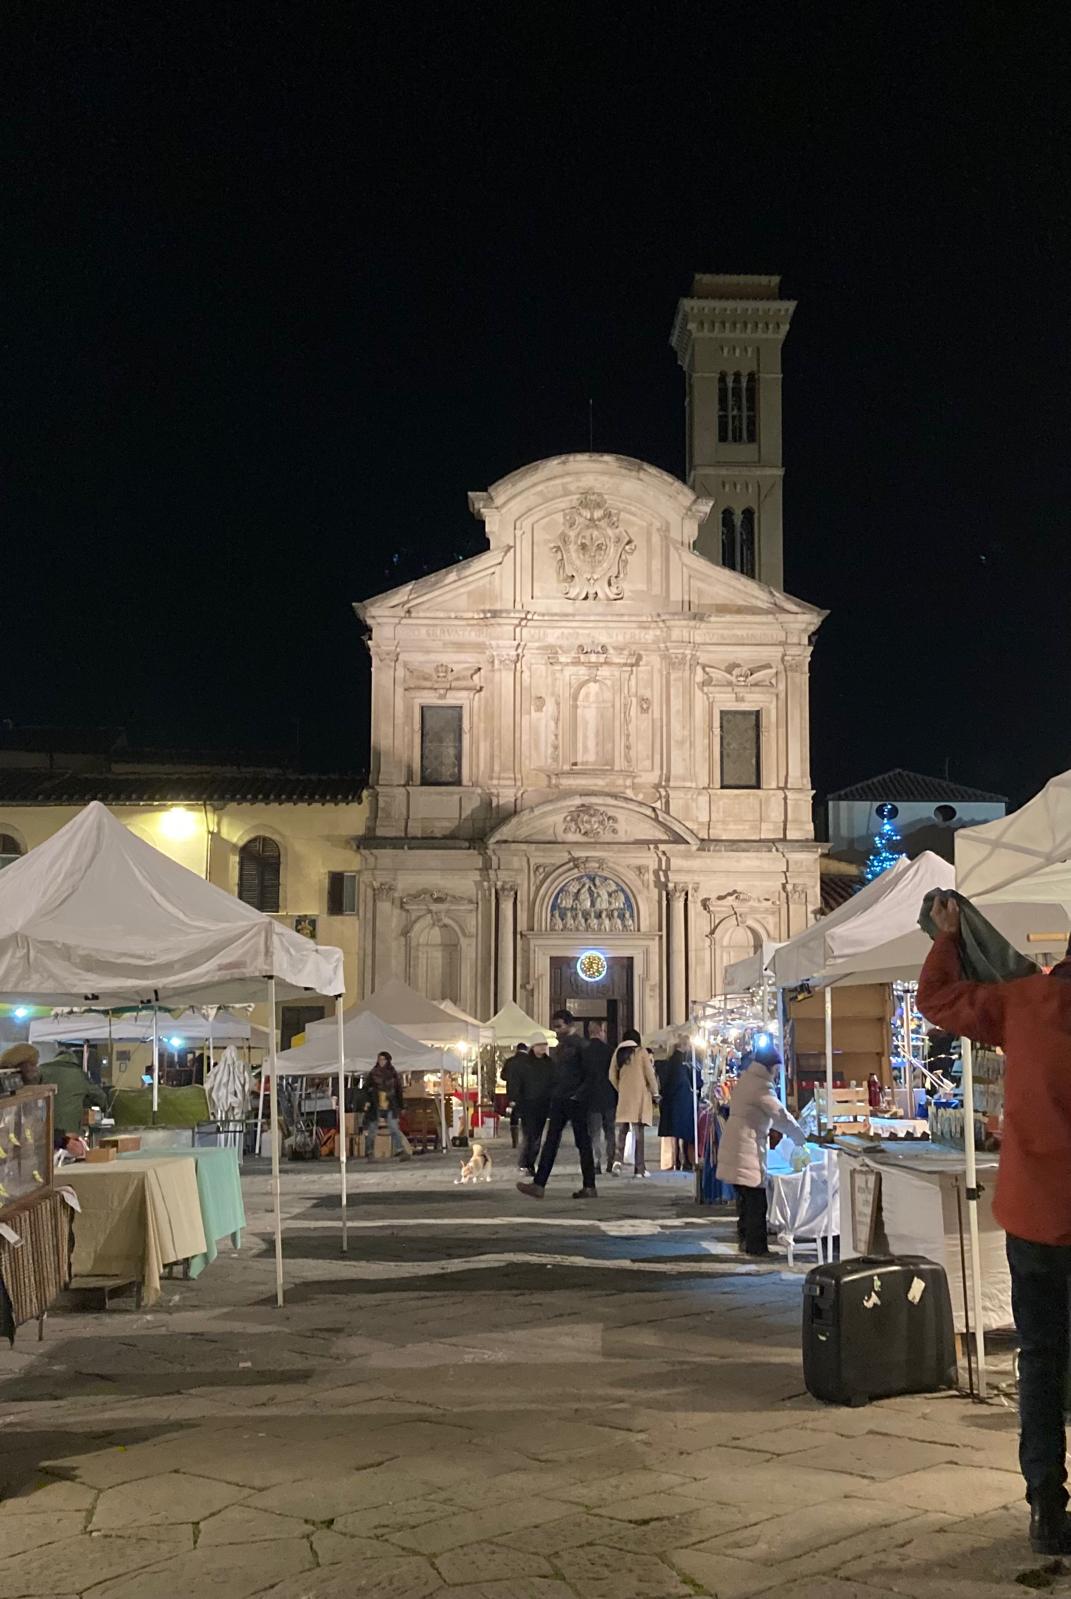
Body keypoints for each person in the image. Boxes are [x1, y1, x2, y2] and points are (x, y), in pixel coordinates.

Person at [917, 893, 1071, 1556]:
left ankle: (1045, 1507)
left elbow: (937, 997)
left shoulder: (1020, 1001)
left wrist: (949, 934)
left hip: (1036, 1214)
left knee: (1039, 1358)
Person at [715, 1037, 805, 1256]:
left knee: (745, 1198)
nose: (776, 1073)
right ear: (771, 1066)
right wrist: (800, 1137)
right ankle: (756, 1247)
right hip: (747, 1146)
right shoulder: (761, 1086)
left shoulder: (748, 1079)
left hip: (737, 1143)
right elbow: (780, 1115)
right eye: (776, 1068)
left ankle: (745, 1240)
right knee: (756, 1199)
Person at [517, 1009, 597, 1199]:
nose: (556, 1031)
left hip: (574, 1100)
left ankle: (589, 1185)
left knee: (582, 1142)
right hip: (561, 1098)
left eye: (560, 1026)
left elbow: (591, 1074)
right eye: (555, 1027)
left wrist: (578, 1095)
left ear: (570, 1025)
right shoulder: (561, 1047)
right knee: (551, 1141)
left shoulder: (581, 1046)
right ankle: (539, 1184)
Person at [8, 1043, 108, 1142]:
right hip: (70, 1133)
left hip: (43, 1130)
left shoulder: (42, 1070)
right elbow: (101, 1098)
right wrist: (105, 1110)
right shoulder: (80, 1075)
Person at [609, 1030, 659, 1177]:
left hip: (624, 1096)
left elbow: (611, 1075)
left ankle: (617, 1163)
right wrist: (655, 1092)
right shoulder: (641, 1052)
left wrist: (620, 1088)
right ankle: (639, 1169)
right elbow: (649, 1073)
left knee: (622, 1132)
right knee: (639, 1135)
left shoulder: (618, 1052)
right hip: (639, 1097)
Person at [514, 1036, 554, 1176]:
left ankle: (530, 1163)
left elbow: (553, 1082)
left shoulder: (549, 1063)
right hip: (528, 1104)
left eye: (544, 1045)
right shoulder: (525, 1064)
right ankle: (524, 1163)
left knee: (537, 1137)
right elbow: (518, 1083)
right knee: (528, 1136)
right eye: (540, 1045)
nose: (543, 1048)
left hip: (543, 1104)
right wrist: (518, 1101)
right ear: (533, 1046)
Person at [657, 1037, 697, 1171]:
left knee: (674, 1134)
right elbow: (688, 1080)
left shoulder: (670, 1061)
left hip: (672, 1102)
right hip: (683, 1101)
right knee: (685, 1133)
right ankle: (685, 1161)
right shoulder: (684, 1062)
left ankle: (675, 1161)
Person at [362, 1051, 411, 1160]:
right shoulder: (373, 1073)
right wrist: (368, 1099)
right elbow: (365, 1088)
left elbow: (398, 1091)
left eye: (383, 1059)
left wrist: (401, 1106)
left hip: (390, 1104)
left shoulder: (393, 1074)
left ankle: (400, 1150)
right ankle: (369, 1151)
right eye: (380, 1059)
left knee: (394, 1127)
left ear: (388, 1061)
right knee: (372, 1129)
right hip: (376, 1103)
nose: (381, 1062)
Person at [584, 1021, 616, 1175]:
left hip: (592, 1098)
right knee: (610, 1131)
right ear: (600, 1032)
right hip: (609, 1097)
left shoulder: (584, 1051)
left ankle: (596, 1163)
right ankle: (611, 1162)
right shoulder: (610, 1051)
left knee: (594, 1133)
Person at [502, 1041, 529, 1150]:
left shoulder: (510, 1061)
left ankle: (515, 1142)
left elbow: (503, 1076)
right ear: (526, 1049)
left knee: (514, 1117)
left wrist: (511, 1079)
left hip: (513, 1094)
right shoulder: (530, 1061)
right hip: (527, 1093)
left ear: (517, 1050)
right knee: (527, 1117)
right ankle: (527, 1140)